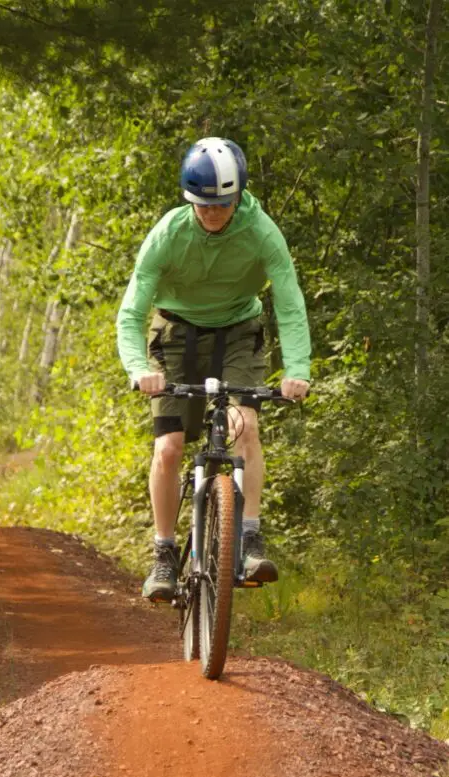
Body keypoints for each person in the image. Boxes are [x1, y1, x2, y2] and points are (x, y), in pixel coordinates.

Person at [116, 137, 311, 602]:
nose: (213, 214)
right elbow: (132, 311)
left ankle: (248, 538)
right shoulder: (168, 234)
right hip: (175, 334)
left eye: (222, 204)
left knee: (246, 429)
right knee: (169, 447)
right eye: (203, 205)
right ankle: (164, 554)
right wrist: (138, 367)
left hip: (238, 333)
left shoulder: (262, 232)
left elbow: (288, 302)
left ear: (238, 195)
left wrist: (297, 369)